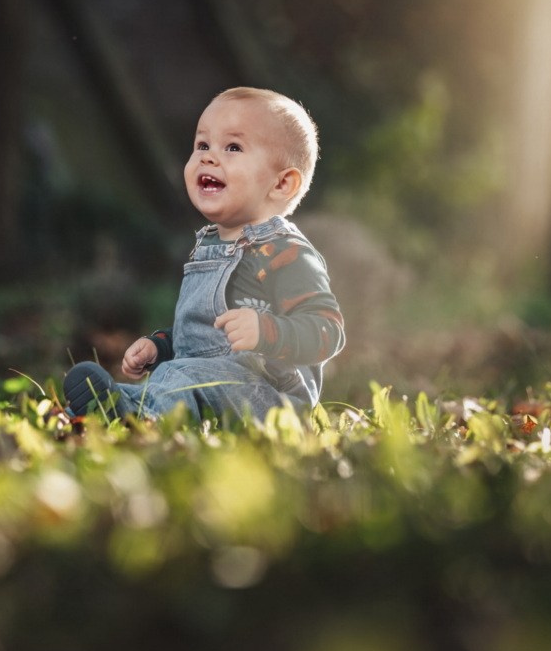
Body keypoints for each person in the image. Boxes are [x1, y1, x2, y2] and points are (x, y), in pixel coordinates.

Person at [63, 86, 344, 425]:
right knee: (170, 380)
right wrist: (161, 347)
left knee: (184, 383)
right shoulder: (208, 246)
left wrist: (266, 330)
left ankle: (144, 417)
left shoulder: (284, 251)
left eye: (233, 147)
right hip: (204, 380)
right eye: (202, 145)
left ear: (282, 184)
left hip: (268, 396)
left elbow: (328, 331)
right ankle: (105, 410)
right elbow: (200, 340)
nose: (208, 157)